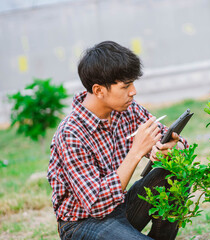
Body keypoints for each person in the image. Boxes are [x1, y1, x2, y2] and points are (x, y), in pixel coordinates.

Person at [47, 41, 188, 240]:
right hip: (83, 223)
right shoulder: (71, 133)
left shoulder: (128, 110)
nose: (133, 91)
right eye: (126, 86)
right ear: (98, 91)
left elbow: (176, 141)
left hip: (121, 208)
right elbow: (96, 204)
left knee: (176, 172)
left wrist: (172, 147)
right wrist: (137, 152)